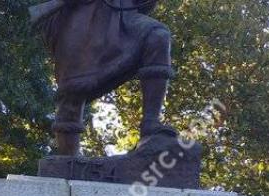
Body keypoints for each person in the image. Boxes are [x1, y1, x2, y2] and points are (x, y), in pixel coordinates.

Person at [36, 0, 176, 155]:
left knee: (157, 37)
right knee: (74, 87)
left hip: (124, 18)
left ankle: (151, 124)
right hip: (81, 18)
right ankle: (68, 157)